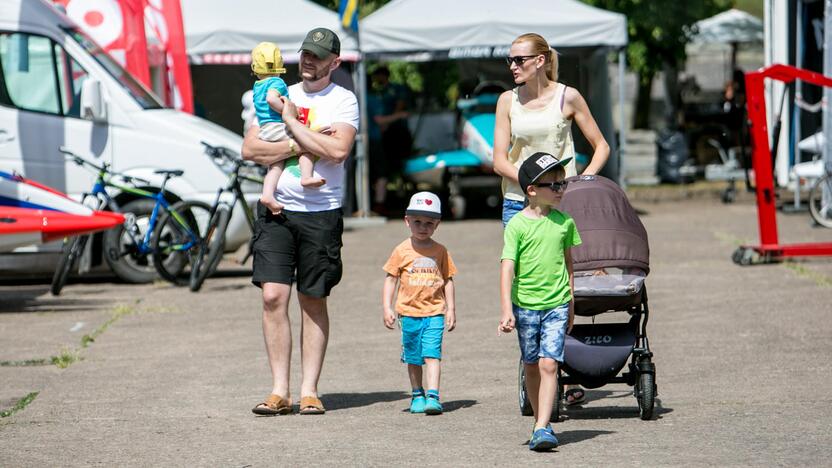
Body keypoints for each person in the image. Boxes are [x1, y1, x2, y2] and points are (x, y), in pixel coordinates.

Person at [242, 27, 359, 416]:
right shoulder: (279, 94)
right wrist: (299, 141)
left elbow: (338, 150)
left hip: (321, 212)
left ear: (334, 62)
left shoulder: (343, 100)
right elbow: (251, 148)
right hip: (278, 210)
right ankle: (279, 390)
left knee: (312, 299)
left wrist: (291, 125)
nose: (309, 60)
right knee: (273, 296)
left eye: (318, 55)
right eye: (305, 53)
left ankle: (309, 390)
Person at [493, 32, 609, 405]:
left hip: (562, 204)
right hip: (518, 203)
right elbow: (499, 160)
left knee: (564, 288)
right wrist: (535, 184)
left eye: (519, 60)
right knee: (527, 292)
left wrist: (577, 184)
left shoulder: (567, 96)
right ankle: (536, 370)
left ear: (540, 60)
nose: (513, 66)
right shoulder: (507, 100)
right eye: (509, 60)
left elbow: (601, 146)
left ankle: (555, 367)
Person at [498, 152, 581, 451]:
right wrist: (506, 308)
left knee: (549, 364)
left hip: (557, 303)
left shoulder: (565, 223)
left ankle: (543, 426)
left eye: (563, 184)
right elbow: (507, 266)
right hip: (525, 304)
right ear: (531, 190)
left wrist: (571, 301)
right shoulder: (517, 225)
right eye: (554, 185)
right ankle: (538, 421)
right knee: (532, 364)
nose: (561, 190)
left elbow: (569, 264)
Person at [382, 192, 457, 415]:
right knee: (413, 357)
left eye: (429, 223)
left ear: (437, 224)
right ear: (407, 221)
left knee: (432, 354)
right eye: (417, 222)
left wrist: (451, 308)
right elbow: (391, 279)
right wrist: (387, 306)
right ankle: (417, 394)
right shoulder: (401, 250)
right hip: (408, 313)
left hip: (434, 311)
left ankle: (433, 396)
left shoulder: (440, 251)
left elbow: (448, 279)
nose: (422, 227)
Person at [250, 42, 324, 215]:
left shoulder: (257, 85)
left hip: (265, 130)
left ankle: (267, 195)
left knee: (276, 165)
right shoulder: (277, 82)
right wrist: (289, 110)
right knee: (306, 144)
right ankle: (306, 177)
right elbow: (271, 99)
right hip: (278, 126)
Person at [366, 65, 412, 214]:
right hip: (380, 134)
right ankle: (380, 202)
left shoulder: (395, 89)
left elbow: (399, 104)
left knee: (391, 166)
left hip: (393, 133)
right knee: (381, 171)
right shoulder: (375, 95)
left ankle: (393, 195)